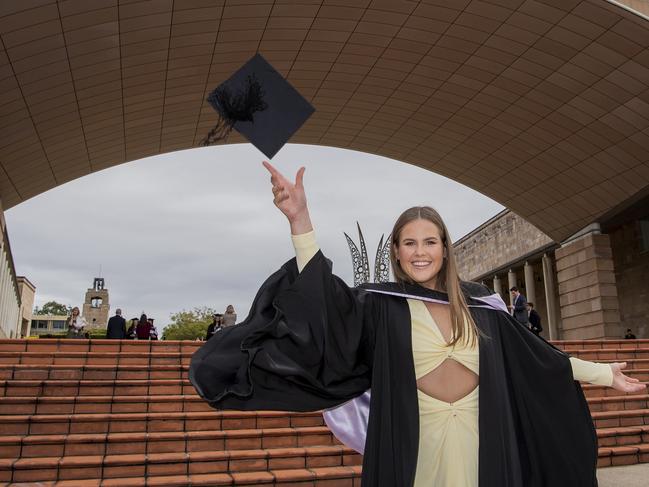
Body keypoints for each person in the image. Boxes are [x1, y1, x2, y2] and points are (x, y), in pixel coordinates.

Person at [190, 162, 646, 487]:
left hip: (479, 433)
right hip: (414, 435)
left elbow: (538, 358)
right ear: (397, 251)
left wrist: (606, 375)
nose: (420, 251)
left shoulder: (482, 305)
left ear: (445, 248)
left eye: (430, 241)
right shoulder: (382, 306)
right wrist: (300, 220)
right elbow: (326, 307)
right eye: (410, 243)